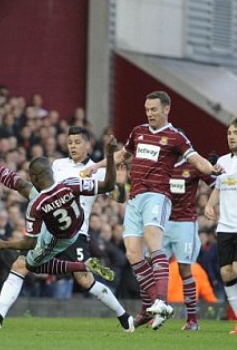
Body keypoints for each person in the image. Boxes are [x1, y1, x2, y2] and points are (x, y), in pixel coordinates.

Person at [0, 126, 133, 331]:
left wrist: (120, 185)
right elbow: (43, 189)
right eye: (70, 142)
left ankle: (124, 317)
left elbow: (118, 197)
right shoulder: (57, 164)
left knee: (84, 280)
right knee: (21, 265)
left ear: (88, 144)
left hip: (78, 232)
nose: (72, 146)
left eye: (77, 142)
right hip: (49, 229)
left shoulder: (98, 169)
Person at [84, 91, 222, 330]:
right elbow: (122, 155)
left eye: (154, 110)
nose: (150, 114)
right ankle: (153, 306)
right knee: (133, 254)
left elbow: (198, 161)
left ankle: (165, 304)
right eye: (147, 109)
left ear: (166, 109)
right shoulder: (138, 132)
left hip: (158, 197)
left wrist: (214, 168)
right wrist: (96, 165)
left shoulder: (176, 137)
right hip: (135, 198)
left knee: (154, 243)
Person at [159, 157, 216, 330]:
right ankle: (153, 312)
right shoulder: (161, 164)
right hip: (163, 222)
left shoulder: (193, 164)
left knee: (185, 268)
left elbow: (216, 184)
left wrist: (210, 204)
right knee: (154, 265)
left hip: (185, 223)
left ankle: (192, 320)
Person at [204, 117, 237, 334]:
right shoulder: (223, 162)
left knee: (236, 268)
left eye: (235, 133)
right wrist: (209, 204)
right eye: (229, 133)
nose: (231, 137)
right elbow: (218, 188)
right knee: (226, 273)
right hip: (225, 226)